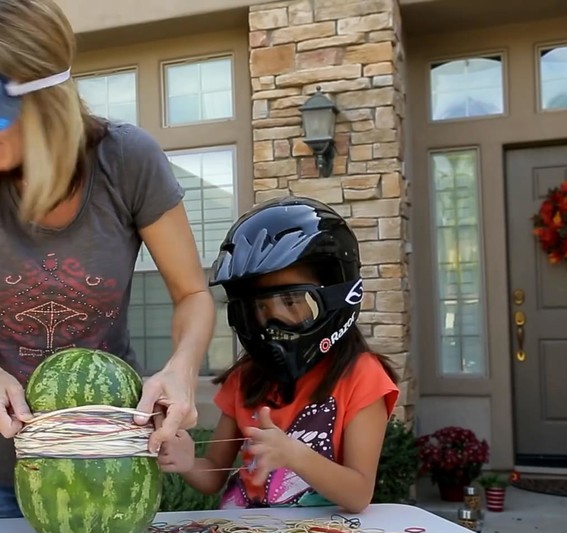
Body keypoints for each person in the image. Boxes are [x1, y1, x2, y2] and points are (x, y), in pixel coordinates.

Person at [0, 0, 216, 520]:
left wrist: (182, 369)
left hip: (106, 457)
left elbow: (192, 294)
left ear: (43, 98)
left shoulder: (129, 159)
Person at [158, 196, 399, 514]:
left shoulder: (362, 378)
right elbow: (213, 474)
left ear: (336, 298)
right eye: (259, 308)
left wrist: (293, 454)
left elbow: (358, 494)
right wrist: (187, 462)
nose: (274, 323)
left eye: (291, 301)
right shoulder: (245, 379)